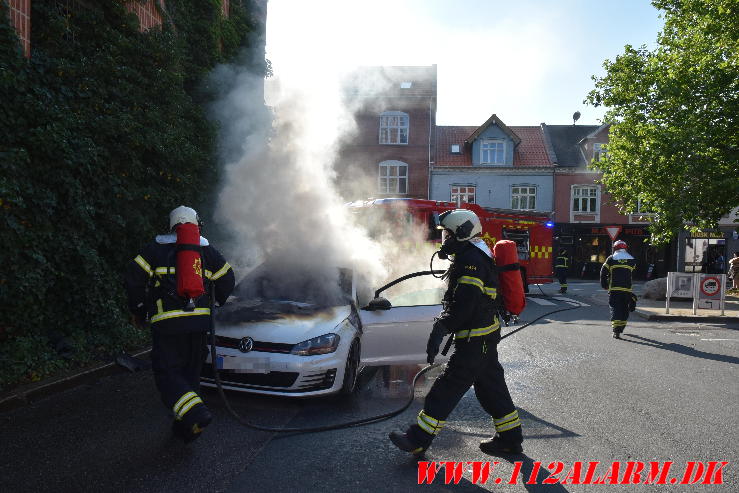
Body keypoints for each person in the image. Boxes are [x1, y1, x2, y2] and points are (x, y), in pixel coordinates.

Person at [389, 209, 523, 456]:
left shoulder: (471, 261)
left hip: (475, 338)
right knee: (492, 389)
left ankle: (418, 438)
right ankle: (510, 438)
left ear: (462, 232)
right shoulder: (475, 253)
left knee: (446, 387)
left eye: (448, 234)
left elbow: (466, 304)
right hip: (483, 336)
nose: (445, 240)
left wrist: (441, 327)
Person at [125, 206, 235, 443]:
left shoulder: (154, 249)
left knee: (167, 373)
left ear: (172, 224)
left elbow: (133, 278)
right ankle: (188, 426)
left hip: (168, 324)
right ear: (196, 224)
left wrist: (139, 310)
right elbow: (227, 278)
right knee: (190, 372)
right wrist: (214, 302)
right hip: (199, 323)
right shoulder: (207, 251)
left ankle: (196, 413)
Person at [600, 239, 636, 340]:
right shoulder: (632, 259)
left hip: (614, 289)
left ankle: (616, 330)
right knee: (624, 309)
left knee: (615, 308)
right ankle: (621, 327)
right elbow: (633, 273)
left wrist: (604, 284)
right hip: (627, 290)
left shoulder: (611, 258)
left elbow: (603, 272)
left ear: (615, 248)